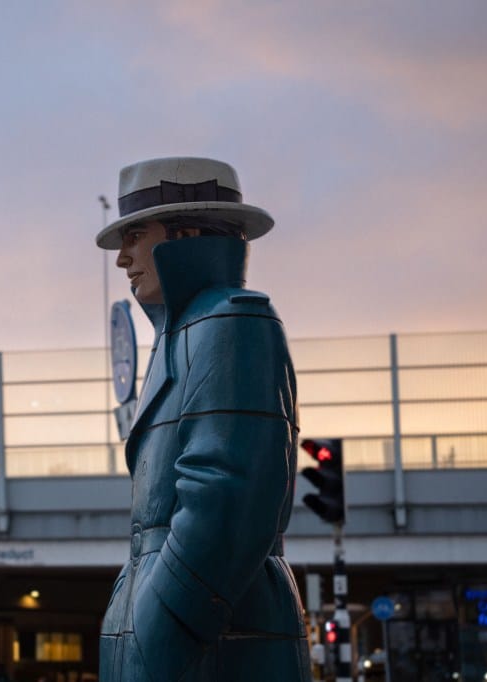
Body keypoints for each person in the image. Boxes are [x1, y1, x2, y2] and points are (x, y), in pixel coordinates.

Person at [95, 158, 311, 681]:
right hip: (192, 640)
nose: (122, 257)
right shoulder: (187, 332)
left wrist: (155, 629)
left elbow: (225, 496)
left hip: (209, 647)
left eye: (135, 235)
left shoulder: (233, 318)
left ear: (185, 234)